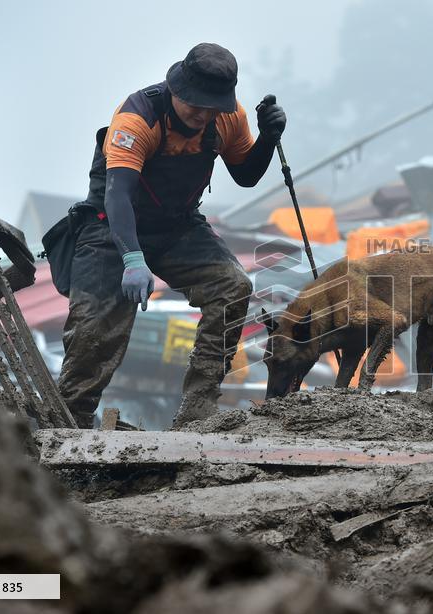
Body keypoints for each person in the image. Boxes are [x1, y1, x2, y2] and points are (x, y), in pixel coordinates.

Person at [56, 42, 285, 428]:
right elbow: (118, 196)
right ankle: (69, 421)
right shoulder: (137, 119)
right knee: (95, 327)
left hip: (178, 226)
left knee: (232, 286)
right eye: (195, 104)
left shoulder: (229, 118)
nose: (203, 115)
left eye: (212, 107)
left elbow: (246, 176)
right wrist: (132, 259)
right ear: (176, 89)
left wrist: (267, 138)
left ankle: (198, 408)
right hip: (112, 225)